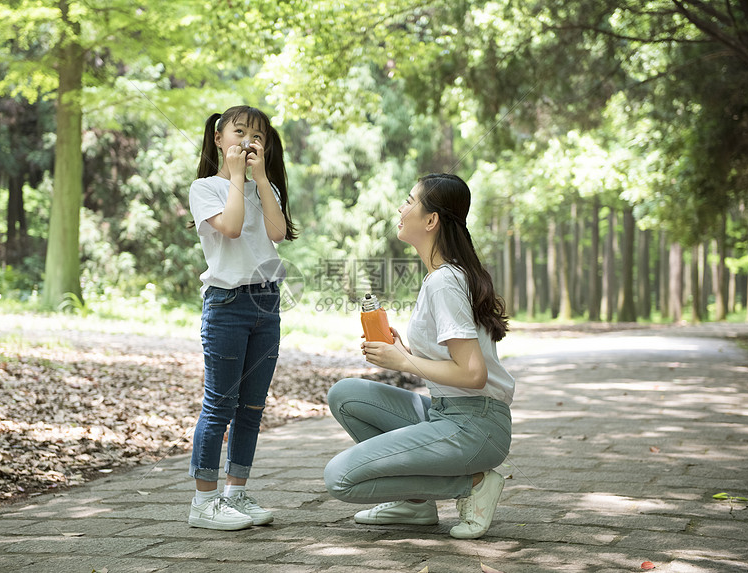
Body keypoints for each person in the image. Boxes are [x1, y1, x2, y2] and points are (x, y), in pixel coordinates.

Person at [323, 172, 514, 539]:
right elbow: (455, 361)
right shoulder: (443, 277)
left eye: (410, 201)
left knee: (340, 479)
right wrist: (405, 351)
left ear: (431, 220)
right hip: (448, 411)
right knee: (345, 395)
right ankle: (414, 505)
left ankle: (473, 483)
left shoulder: (445, 281)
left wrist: (403, 362)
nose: (401, 207)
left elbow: (474, 375)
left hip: (475, 426)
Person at [187, 105, 297, 531]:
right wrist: (236, 179)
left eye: (258, 136)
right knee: (219, 406)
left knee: (252, 406)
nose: (248, 141)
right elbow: (231, 228)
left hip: (266, 304)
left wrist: (261, 180)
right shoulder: (206, 188)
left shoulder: (263, 189)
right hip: (227, 305)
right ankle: (204, 501)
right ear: (218, 139)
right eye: (239, 132)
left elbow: (276, 232)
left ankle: (235, 493)